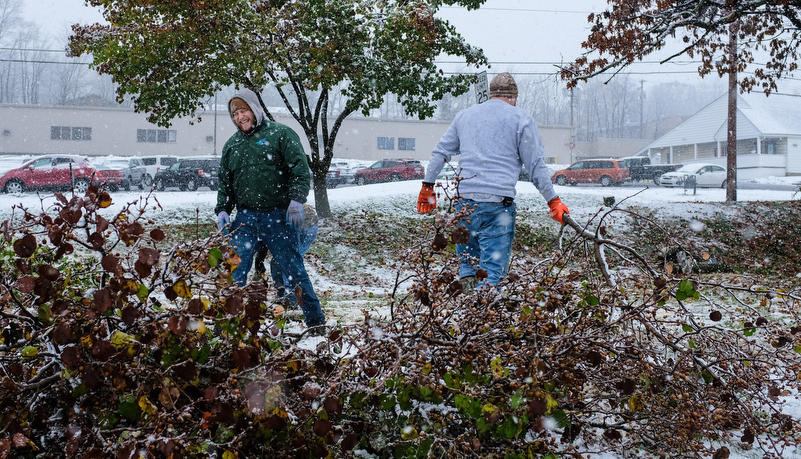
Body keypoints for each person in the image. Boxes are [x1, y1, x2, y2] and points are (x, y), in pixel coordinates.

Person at [417, 72, 569, 291]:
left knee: (468, 267)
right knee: (492, 274)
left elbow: (440, 151)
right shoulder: (521, 118)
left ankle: (467, 315)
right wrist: (552, 200)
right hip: (498, 207)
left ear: (491, 94)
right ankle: (484, 318)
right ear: (514, 97)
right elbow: (535, 165)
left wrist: (428, 186)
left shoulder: (464, 116)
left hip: (464, 206)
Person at [215, 87, 326, 332]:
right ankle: (224, 328)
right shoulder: (231, 146)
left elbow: (299, 170)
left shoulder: (281, 135)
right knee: (234, 272)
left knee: (295, 272)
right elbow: (225, 182)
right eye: (234, 114)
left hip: (278, 218)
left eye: (243, 111)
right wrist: (223, 209)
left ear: (255, 110)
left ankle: (316, 324)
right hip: (245, 220)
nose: (239, 117)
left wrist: (296, 200)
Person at [252, 203, 320, 310]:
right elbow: (262, 246)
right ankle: (282, 294)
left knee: (289, 261)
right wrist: (259, 266)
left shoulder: (270, 217)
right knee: (276, 262)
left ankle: (291, 299)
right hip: (293, 225)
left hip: (307, 225)